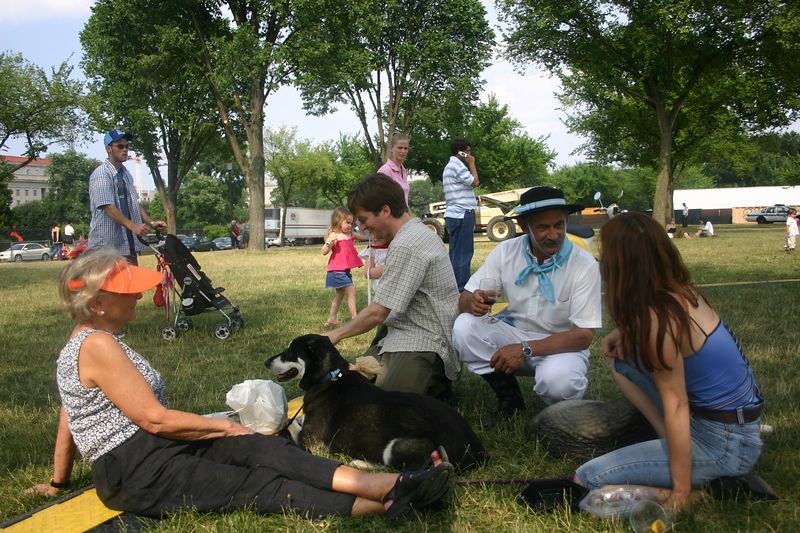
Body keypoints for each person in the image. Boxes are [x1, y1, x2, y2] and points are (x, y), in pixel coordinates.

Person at [26, 248, 454, 520]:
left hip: (151, 452)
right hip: (137, 469)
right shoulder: (97, 345)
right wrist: (224, 426)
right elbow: (154, 420)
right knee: (253, 485)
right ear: (98, 304)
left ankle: (386, 485)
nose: (139, 296)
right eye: (127, 292)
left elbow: (70, 411)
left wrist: (59, 480)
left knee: (259, 447)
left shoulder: (87, 342)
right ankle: (387, 503)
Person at [572, 212, 763, 511]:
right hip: (732, 426)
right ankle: (668, 441)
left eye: (604, 255)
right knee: (622, 361)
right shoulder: (679, 293)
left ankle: (700, 491)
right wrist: (623, 331)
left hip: (724, 445)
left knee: (588, 479)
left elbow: (677, 404)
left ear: (622, 265)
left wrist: (680, 491)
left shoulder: (659, 320)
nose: (601, 262)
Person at [452, 186, 602, 428]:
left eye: (559, 225)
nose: (553, 235)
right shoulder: (506, 251)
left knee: (559, 384)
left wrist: (524, 349)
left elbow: (583, 336)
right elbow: (464, 299)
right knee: (464, 327)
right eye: (543, 227)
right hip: (515, 335)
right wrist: (473, 301)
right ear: (524, 226)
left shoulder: (583, 264)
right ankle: (509, 398)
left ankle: (558, 416)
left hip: (562, 346)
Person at [325, 174, 460, 399]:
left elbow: (378, 312)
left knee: (379, 407)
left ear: (385, 211)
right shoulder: (412, 235)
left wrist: (334, 335)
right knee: (346, 386)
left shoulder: (409, 243)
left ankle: (435, 385)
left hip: (423, 342)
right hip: (397, 335)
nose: (362, 227)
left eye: (363, 219)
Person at [87, 130, 166, 265]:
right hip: (106, 248)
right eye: (120, 146)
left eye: (127, 146)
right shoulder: (101, 174)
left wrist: (151, 223)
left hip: (127, 246)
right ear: (108, 149)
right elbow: (107, 206)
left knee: (132, 286)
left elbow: (134, 204)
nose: (125, 150)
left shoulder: (126, 174)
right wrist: (133, 226)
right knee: (109, 286)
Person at [442, 138, 480, 292]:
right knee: (464, 255)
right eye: (468, 151)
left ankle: (452, 289)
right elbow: (475, 182)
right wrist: (472, 163)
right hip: (462, 214)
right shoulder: (458, 166)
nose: (470, 155)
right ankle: (462, 290)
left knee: (455, 254)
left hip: (454, 214)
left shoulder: (449, 166)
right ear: (461, 152)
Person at [322, 207, 364, 328]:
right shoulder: (334, 235)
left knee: (339, 295)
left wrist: (371, 232)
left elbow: (363, 237)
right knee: (352, 291)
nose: (350, 225)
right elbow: (324, 251)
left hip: (344, 270)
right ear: (338, 221)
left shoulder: (350, 234)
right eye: (347, 222)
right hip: (336, 271)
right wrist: (329, 242)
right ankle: (355, 318)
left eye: (352, 223)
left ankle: (332, 319)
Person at [377, 133, 411, 206]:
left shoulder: (404, 171)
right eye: (400, 147)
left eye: (406, 148)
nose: (403, 151)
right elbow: (380, 200)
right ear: (391, 148)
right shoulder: (385, 171)